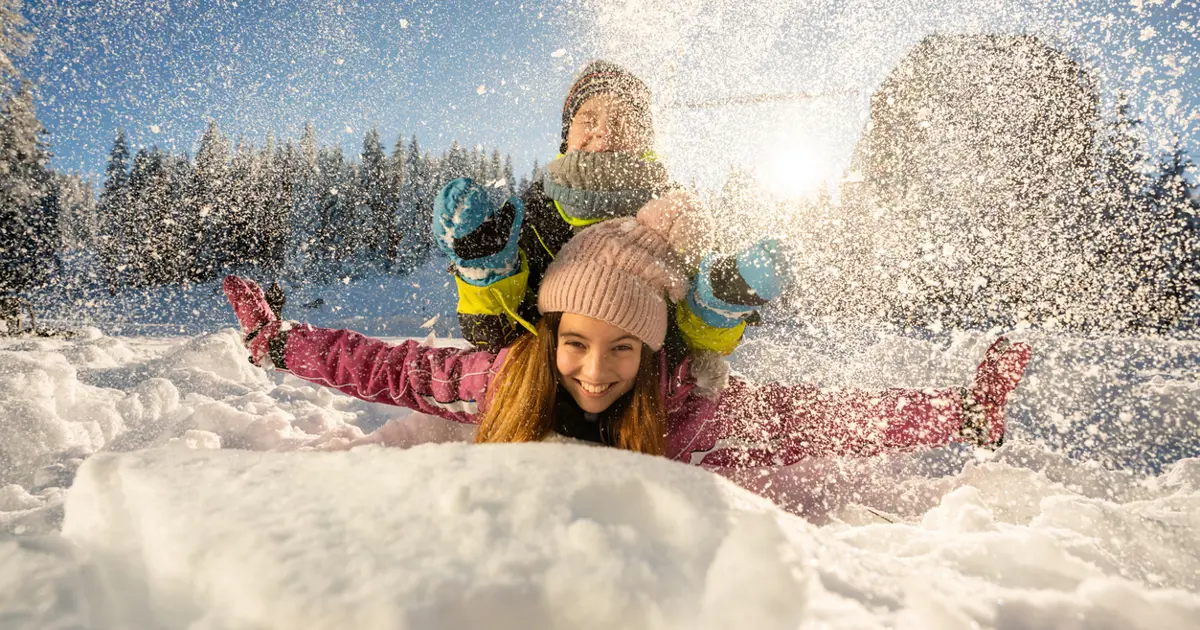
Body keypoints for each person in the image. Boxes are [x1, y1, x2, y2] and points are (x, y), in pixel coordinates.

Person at [224, 210, 1031, 467]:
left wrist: (959, 413)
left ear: (653, 354)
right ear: (551, 335)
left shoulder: (696, 409)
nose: (594, 370)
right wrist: (278, 344)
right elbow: (389, 369)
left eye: (623, 349)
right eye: (576, 341)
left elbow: (824, 421)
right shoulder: (506, 380)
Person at [435, 59, 784, 366]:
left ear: (644, 140)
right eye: (589, 118)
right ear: (566, 136)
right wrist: (485, 274)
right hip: (543, 397)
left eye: (622, 119)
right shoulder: (533, 215)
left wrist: (715, 309)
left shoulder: (677, 217)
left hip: (647, 407)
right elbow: (494, 339)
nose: (603, 130)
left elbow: (696, 356)